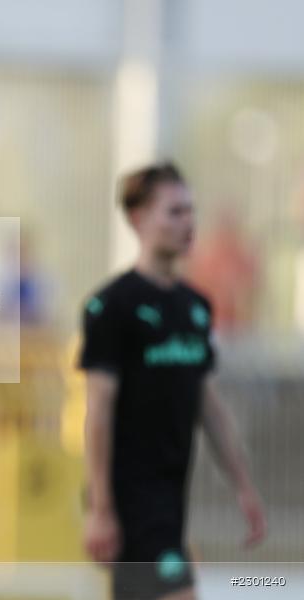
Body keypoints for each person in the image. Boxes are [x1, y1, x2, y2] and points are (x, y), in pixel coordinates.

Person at [79, 163, 267, 600]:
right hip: (132, 501)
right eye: (175, 212)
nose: (188, 223)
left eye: (191, 212)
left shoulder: (195, 307)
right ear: (138, 218)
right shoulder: (111, 307)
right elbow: (98, 413)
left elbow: (206, 401)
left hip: (171, 496)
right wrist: (102, 509)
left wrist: (243, 484)